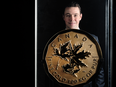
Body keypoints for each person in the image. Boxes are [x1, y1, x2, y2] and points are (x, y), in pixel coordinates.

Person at [62, 1, 105, 87]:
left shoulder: (93, 39)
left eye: (75, 15)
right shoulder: (54, 41)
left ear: (80, 16)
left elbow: (99, 69)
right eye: (68, 15)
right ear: (63, 17)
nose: (72, 19)